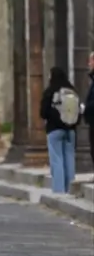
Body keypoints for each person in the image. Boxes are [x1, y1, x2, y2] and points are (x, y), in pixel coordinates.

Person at [41, 66, 82, 195]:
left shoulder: (50, 91)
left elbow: (43, 112)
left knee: (56, 159)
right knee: (69, 158)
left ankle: (59, 190)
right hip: (71, 130)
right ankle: (70, 188)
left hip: (54, 130)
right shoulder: (72, 91)